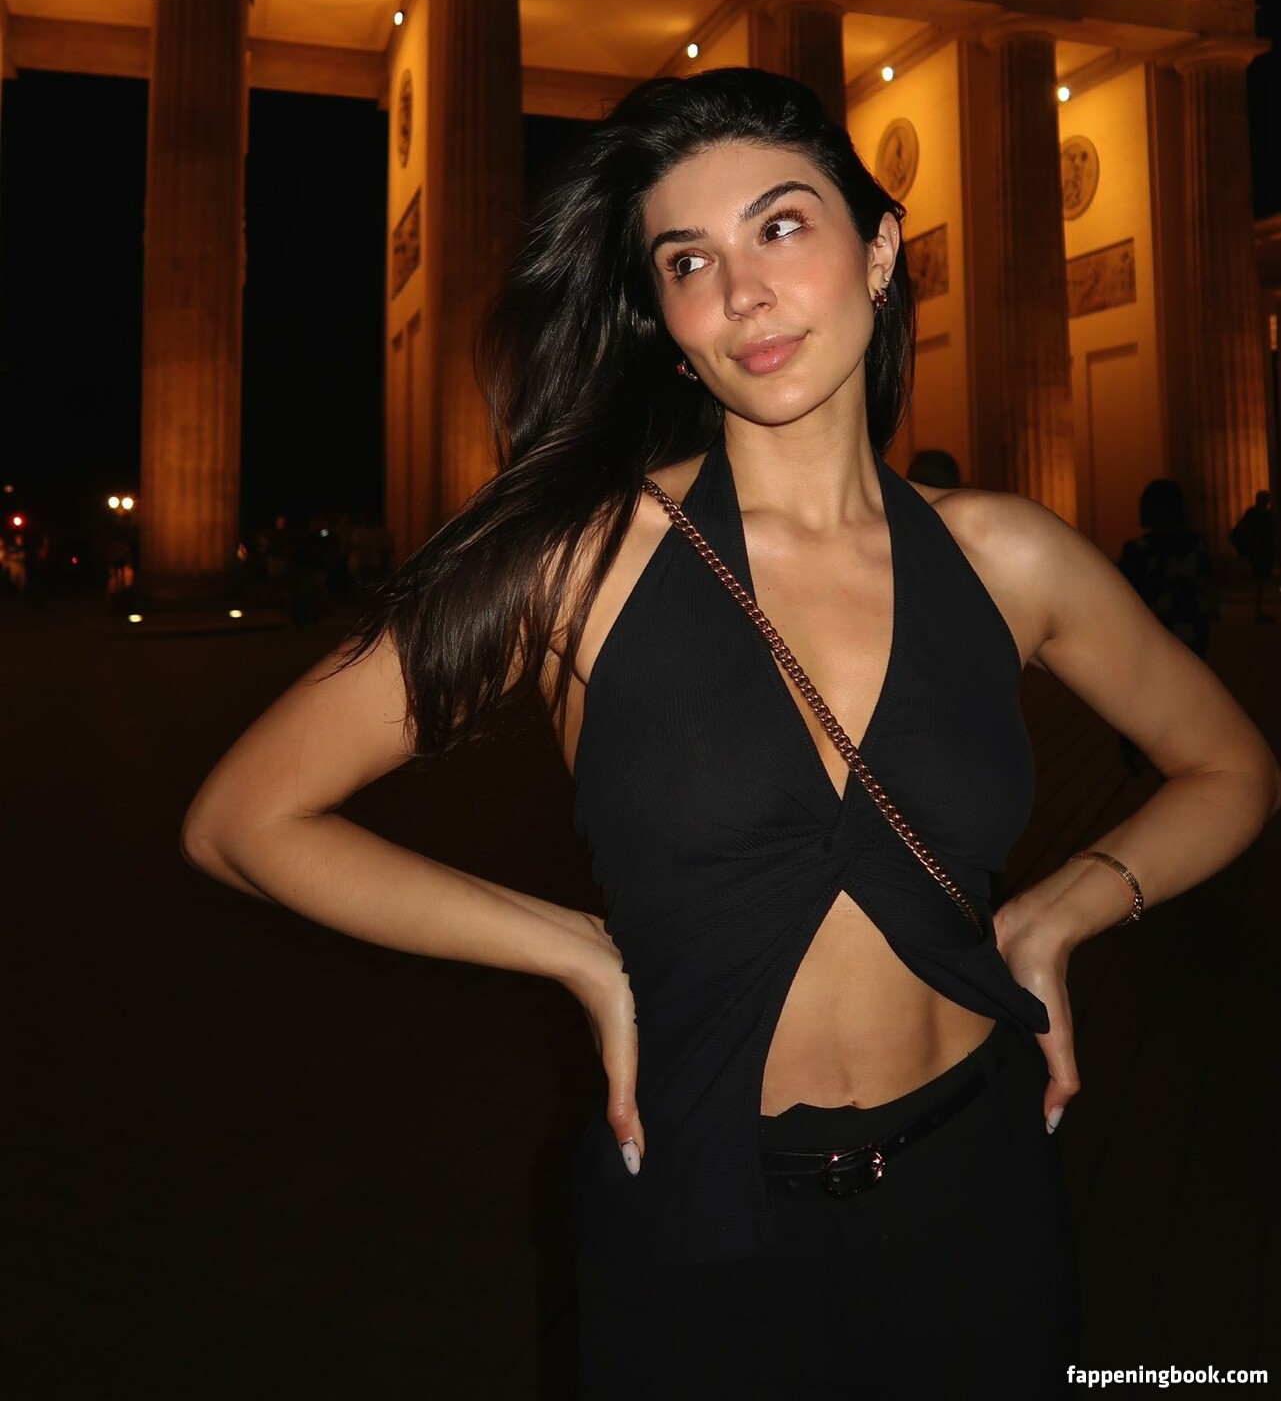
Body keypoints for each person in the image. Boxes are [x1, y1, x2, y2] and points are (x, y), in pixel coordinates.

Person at [181, 69, 1280, 1398]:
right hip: (698, 1218)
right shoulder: (580, 563)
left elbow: (1231, 766)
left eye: (781, 226)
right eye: (689, 260)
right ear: (663, 317)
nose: (743, 292)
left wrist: (1063, 913)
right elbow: (245, 820)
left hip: (982, 1186)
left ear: (880, 253)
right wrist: (577, 953)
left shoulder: (1008, 556)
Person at [1117, 479, 1215, 774]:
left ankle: (1143, 752)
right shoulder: (1196, 546)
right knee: (1187, 699)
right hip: (1189, 637)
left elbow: (1125, 599)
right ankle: (1184, 756)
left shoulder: (1138, 550)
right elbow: (1206, 593)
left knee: (1145, 701)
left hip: (1151, 639)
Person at [1229, 489, 1275, 623]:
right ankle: (1258, 610)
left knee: (1262, 580)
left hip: (1265, 550)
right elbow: (1243, 527)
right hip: (1259, 550)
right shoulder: (1253, 513)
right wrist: (1253, 541)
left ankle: (1259, 610)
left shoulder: (1266, 513)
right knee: (1260, 580)